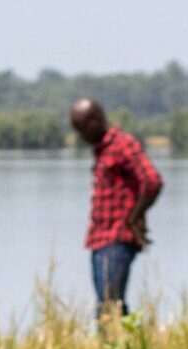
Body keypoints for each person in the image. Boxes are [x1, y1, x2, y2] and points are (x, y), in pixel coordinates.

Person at [68, 98, 164, 319]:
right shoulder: (103, 149)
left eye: (82, 129)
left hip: (116, 238)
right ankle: (116, 348)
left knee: (109, 306)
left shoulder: (122, 144)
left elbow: (152, 181)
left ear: (95, 121)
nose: (81, 137)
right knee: (109, 305)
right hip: (100, 239)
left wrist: (135, 217)